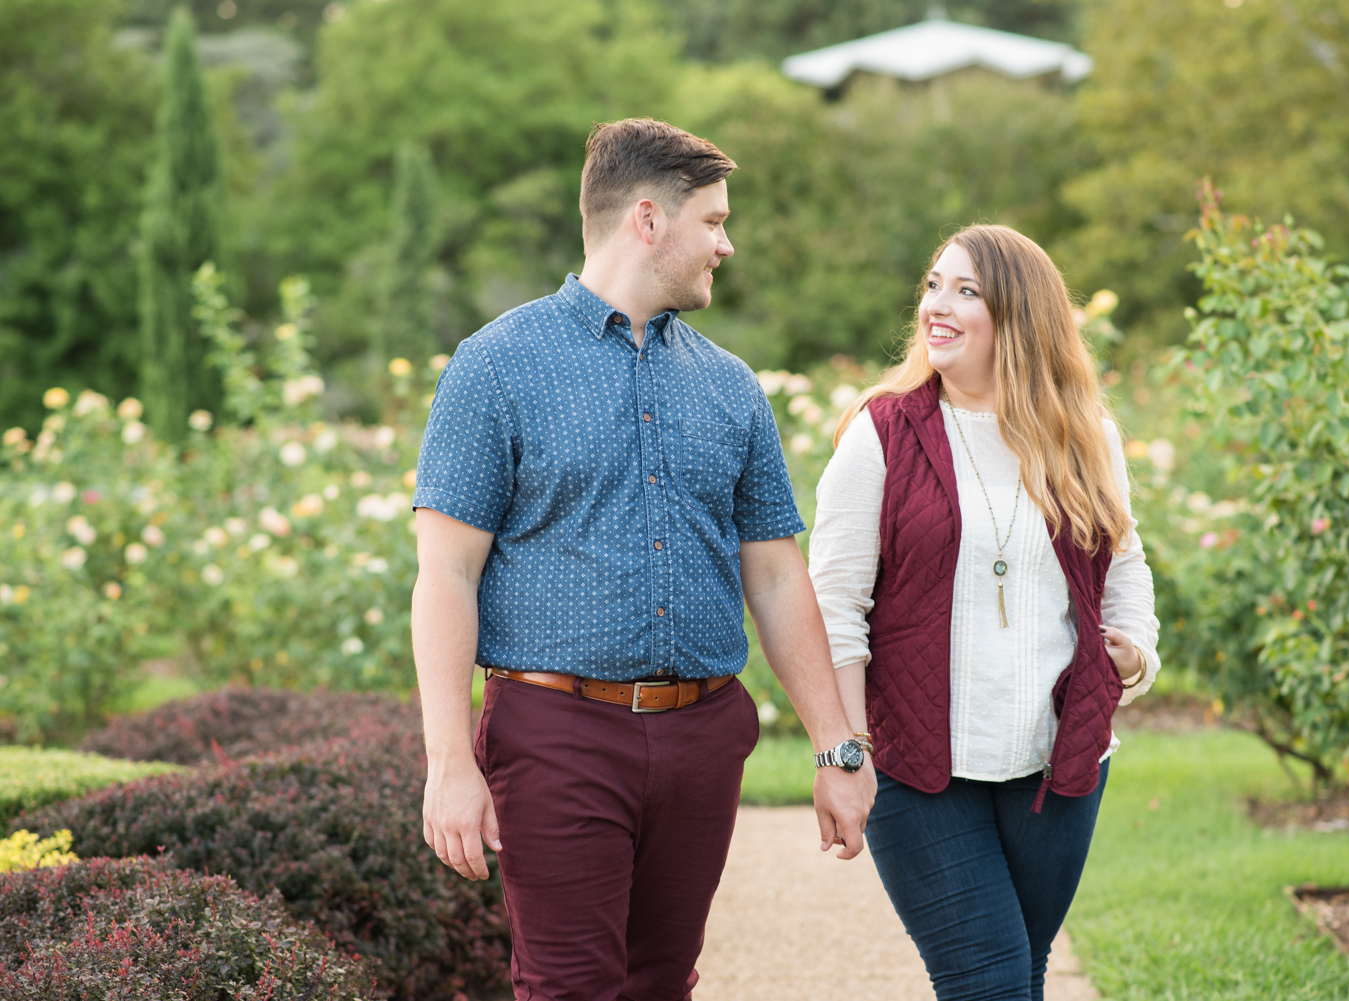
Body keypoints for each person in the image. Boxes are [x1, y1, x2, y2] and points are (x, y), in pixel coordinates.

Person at [409, 118, 873, 1001]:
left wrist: (836, 749)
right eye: (715, 221)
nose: (727, 245)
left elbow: (776, 577)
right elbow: (446, 574)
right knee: (570, 987)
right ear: (649, 220)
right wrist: (448, 763)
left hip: (704, 737)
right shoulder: (496, 367)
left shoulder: (731, 385)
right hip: (556, 735)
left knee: (662, 983)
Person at [809, 224, 1160, 1001]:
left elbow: (1124, 565)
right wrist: (846, 747)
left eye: (966, 291)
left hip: (1059, 765)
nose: (938, 304)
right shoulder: (882, 432)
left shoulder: (1085, 436)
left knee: (1018, 974)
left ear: (1021, 315)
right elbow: (834, 602)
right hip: (917, 767)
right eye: (934, 284)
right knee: (989, 982)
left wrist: (1132, 650)